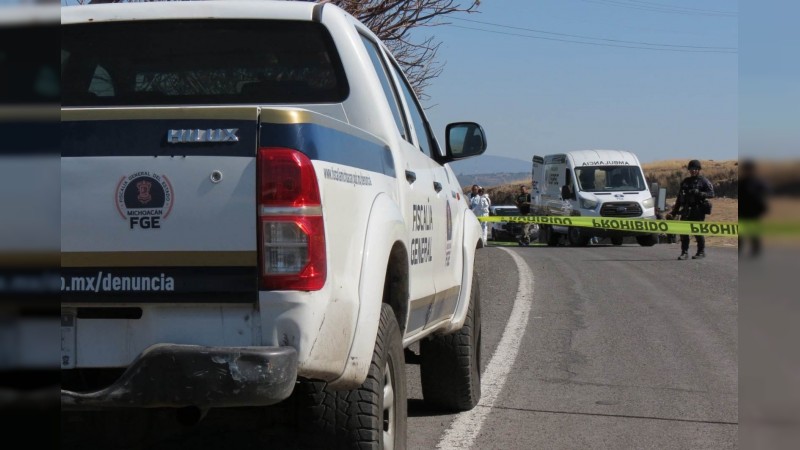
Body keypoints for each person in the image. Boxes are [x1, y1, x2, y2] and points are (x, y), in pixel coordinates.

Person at [670, 159, 715, 260]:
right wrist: (674, 212)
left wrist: (699, 193)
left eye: (695, 169)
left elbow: (711, 194)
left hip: (698, 210)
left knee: (697, 232)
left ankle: (701, 251)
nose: (693, 171)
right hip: (686, 210)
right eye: (691, 169)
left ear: (699, 170)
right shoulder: (685, 182)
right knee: (683, 232)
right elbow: (679, 198)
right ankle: (684, 252)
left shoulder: (703, 181)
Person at [738, 158, 769, 258]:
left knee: (754, 233)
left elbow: (765, 193)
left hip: (754, 212)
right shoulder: (741, 182)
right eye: (747, 169)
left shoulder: (758, 182)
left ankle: (756, 251)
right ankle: (740, 251)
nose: (748, 171)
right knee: (741, 234)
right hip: (743, 211)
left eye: (749, 169)